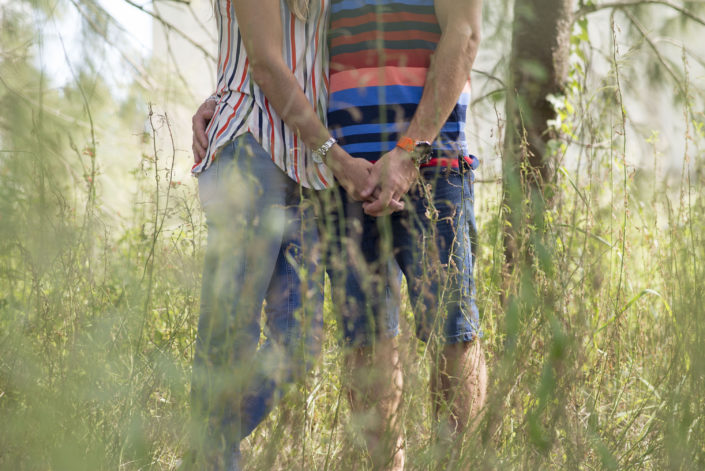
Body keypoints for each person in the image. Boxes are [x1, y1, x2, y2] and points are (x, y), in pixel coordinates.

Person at [192, 0, 487, 468]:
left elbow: (465, 34)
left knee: (452, 332)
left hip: (424, 164)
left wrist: (409, 150)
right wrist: (228, 94)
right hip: (342, 174)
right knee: (365, 342)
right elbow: (275, 50)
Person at [187, 0, 395, 469]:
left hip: (305, 167)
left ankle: (204, 449)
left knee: (299, 341)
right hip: (251, 149)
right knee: (230, 336)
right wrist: (339, 159)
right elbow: (263, 63)